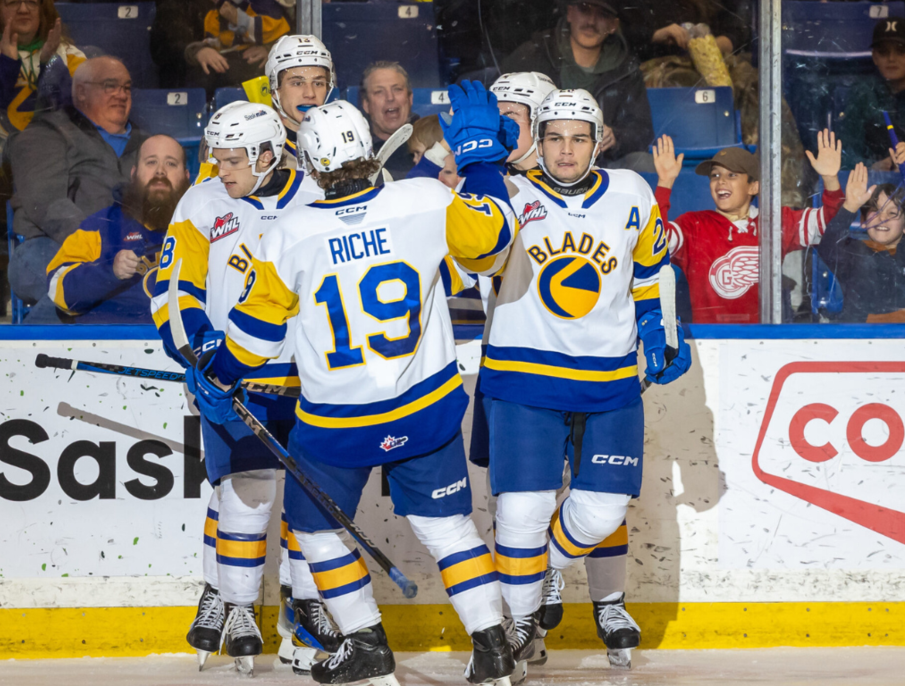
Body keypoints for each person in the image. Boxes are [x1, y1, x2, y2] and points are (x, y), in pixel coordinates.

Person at [191, 89, 519, 686]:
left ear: (310, 166)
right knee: (449, 529)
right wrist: (478, 161)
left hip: (341, 425)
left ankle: (366, 645)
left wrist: (217, 373)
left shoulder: (289, 233)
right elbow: (494, 244)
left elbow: (255, 338)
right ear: (371, 150)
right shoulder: (425, 198)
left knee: (313, 528)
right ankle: (494, 652)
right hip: (426, 411)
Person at [478, 88, 691, 675]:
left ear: (598, 140)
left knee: (600, 513)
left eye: (579, 137)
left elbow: (650, 269)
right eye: (553, 137)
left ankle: (536, 570)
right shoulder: (509, 193)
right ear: (537, 141)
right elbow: (472, 257)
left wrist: (659, 327)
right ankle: (517, 630)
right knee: (520, 513)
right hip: (524, 379)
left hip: (610, 381)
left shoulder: (630, 192)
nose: (566, 150)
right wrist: (476, 173)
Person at [149, 101, 333, 675]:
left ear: (269, 154)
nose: (220, 169)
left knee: (313, 499)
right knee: (248, 493)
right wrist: (202, 352)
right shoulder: (203, 201)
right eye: (216, 157)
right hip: (238, 377)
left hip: (312, 379)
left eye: (233, 159)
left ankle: (308, 607)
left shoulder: (318, 195)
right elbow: (173, 286)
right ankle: (239, 604)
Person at [0, 0, 84, 314]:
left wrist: (50, 68)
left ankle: (68, 283)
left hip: (47, 159)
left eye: (32, 2)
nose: (24, 8)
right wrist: (6, 67)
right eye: (12, 2)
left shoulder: (65, 53)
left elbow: (87, 115)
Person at [652, 130, 844, 323]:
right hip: (708, 345)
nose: (721, 181)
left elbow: (831, 227)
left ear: (753, 187)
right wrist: (665, 182)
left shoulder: (776, 222)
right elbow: (655, 242)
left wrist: (830, 180)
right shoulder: (692, 225)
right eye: (715, 175)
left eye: (732, 175)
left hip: (762, 344)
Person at [8, 55, 146, 321]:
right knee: (73, 289)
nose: (121, 94)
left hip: (131, 248)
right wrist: (102, 249)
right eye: (110, 86)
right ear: (81, 92)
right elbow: (48, 204)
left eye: (126, 88)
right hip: (52, 245)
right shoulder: (46, 133)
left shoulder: (148, 146)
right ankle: (27, 359)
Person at [44, 135, 189, 322]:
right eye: (151, 162)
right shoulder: (101, 226)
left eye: (171, 164)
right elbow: (58, 291)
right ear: (134, 173)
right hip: (110, 345)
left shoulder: (204, 227)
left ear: (186, 175)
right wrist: (109, 271)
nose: (160, 171)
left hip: (182, 343)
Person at [501, 1, 655, 172]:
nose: (591, 21)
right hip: (534, 164)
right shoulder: (533, 54)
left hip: (602, 167)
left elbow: (642, 130)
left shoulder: (626, 71)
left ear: (613, 25)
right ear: (570, 13)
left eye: (603, 15)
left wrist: (616, 136)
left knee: (645, 163)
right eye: (584, 10)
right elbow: (498, 108)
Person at [816, 163, 905, 322]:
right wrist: (850, 206)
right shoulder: (854, 252)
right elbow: (827, 247)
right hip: (858, 340)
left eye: (892, 213)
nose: (882, 218)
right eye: (875, 210)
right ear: (863, 221)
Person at [150, 0, 289, 95]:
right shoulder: (177, 4)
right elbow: (163, 43)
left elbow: (293, 29)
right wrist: (197, 51)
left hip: (250, 71)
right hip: (198, 80)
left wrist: (271, 48)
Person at [839, 17, 905, 170]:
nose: (891, 58)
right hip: (870, 187)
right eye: (883, 52)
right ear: (874, 57)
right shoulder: (863, 93)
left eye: (901, 50)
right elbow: (843, 153)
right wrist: (875, 166)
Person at [264, 34, 334, 159]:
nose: (310, 94)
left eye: (318, 83)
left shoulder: (342, 143)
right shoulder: (257, 149)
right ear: (275, 90)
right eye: (297, 83)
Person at [361, 61, 417, 180]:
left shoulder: (432, 142)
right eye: (379, 92)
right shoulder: (356, 153)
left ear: (410, 98)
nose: (390, 98)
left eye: (397, 89)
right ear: (366, 104)